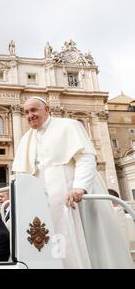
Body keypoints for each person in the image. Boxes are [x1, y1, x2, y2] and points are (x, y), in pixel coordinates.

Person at [12, 96, 133, 268]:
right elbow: (23, 171)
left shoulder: (68, 125)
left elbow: (86, 158)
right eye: (26, 112)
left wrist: (80, 187)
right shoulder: (26, 138)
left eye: (34, 110)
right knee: (52, 244)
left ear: (47, 110)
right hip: (46, 203)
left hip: (73, 196)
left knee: (81, 242)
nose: (30, 115)